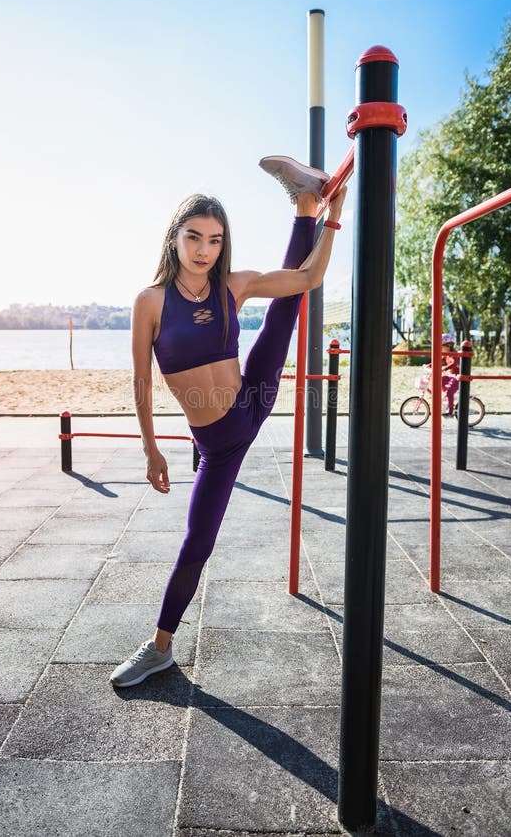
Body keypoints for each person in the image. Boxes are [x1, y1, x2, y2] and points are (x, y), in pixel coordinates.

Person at [109, 156, 347, 687]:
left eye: (215, 240)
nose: (203, 250)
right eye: (194, 237)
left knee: (287, 305)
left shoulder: (231, 287)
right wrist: (151, 449)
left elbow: (310, 276)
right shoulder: (149, 302)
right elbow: (142, 382)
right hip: (218, 445)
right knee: (198, 542)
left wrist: (334, 215)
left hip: (251, 399)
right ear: (174, 238)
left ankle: (306, 203)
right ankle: (160, 648)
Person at [440, 333, 459, 415]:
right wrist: (429, 365)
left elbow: (455, 363)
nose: (441, 349)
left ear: (449, 345)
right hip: (452, 375)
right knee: (440, 380)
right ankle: (448, 398)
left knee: (449, 392)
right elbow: (439, 360)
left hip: (458, 377)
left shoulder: (454, 353)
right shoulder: (447, 354)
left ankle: (450, 411)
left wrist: (444, 368)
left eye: (442, 347)